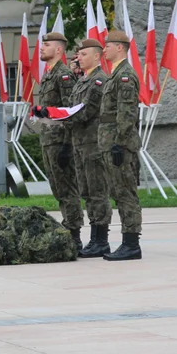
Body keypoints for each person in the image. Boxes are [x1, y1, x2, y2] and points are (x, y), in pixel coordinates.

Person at [62, 38, 112, 257]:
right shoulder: (83, 80)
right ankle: (94, 239)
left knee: (97, 191)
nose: (78, 58)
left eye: (83, 55)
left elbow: (85, 112)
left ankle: (101, 239)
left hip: (94, 144)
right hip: (80, 144)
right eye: (78, 55)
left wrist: (59, 117)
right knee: (87, 192)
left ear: (96, 56)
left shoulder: (99, 80)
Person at [98, 31, 143, 260]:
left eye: (108, 46)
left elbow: (127, 113)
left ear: (120, 48)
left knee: (126, 192)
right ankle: (128, 242)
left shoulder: (125, 75)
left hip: (120, 144)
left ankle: (132, 243)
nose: (104, 50)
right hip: (111, 142)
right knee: (118, 191)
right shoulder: (114, 74)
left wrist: (119, 142)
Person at [34, 32, 82, 245]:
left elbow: (70, 111)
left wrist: (67, 145)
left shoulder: (63, 75)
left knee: (66, 187)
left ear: (59, 50)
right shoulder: (49, 74)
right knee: (57, 187)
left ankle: (74, 233)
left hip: (59, 139)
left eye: (46, 44)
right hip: (48, 138)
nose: (42, 48)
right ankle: (68, 224)